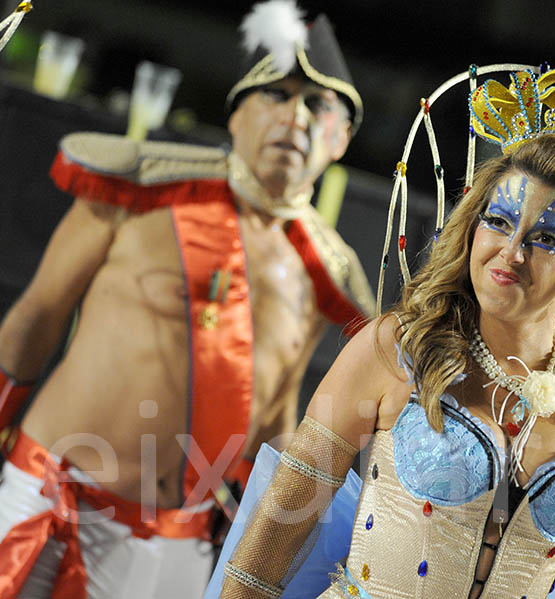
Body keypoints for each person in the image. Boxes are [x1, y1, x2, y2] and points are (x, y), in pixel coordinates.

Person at [218, 64, 555, 599]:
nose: (512, 251)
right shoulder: (394, 349)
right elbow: (281, 524)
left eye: (547, 238)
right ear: (472, 228)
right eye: (499, 222)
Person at [0, 1, 373, 597]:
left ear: (342, 137)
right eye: (275, 95)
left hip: (179, 545)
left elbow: (275, 419)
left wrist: (271, 540)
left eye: (317, 104)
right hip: (47, 499)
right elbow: (36, 316)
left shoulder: (327, 274)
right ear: (236, 116)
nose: (295, 117)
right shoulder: (134, 191)